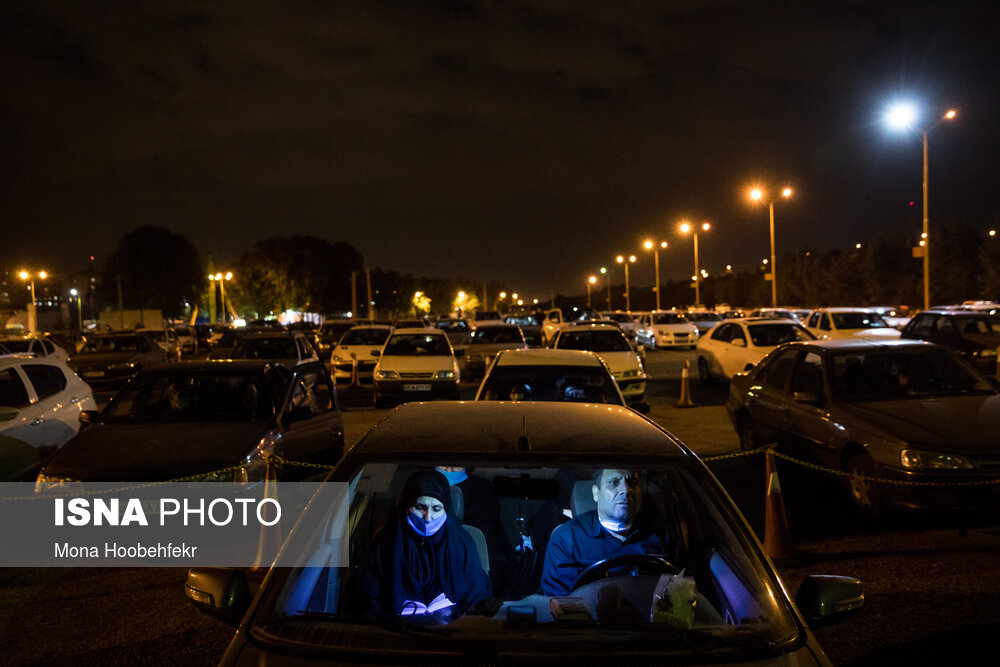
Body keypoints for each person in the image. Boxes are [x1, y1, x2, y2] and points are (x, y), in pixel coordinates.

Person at [360, 469, 491, 618]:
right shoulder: (386, 542)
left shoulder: (462, 544)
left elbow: (477, 599)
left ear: (446, 509)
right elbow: (369, 598)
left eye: (436, 509)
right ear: (407, 505)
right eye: (420, 507)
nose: (428, 517)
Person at [540, 468, 672, 597]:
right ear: (596, 493)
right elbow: (559, 603)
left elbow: (681, 587)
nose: (626, 490)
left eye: (632, 483)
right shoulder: (567, 540)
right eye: (614, 482)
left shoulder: (663, 535)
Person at [437, 466, 515, 596]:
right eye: (443, 464)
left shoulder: (481, 491)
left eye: (455, 465)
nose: (449, 470)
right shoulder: (424, 486)